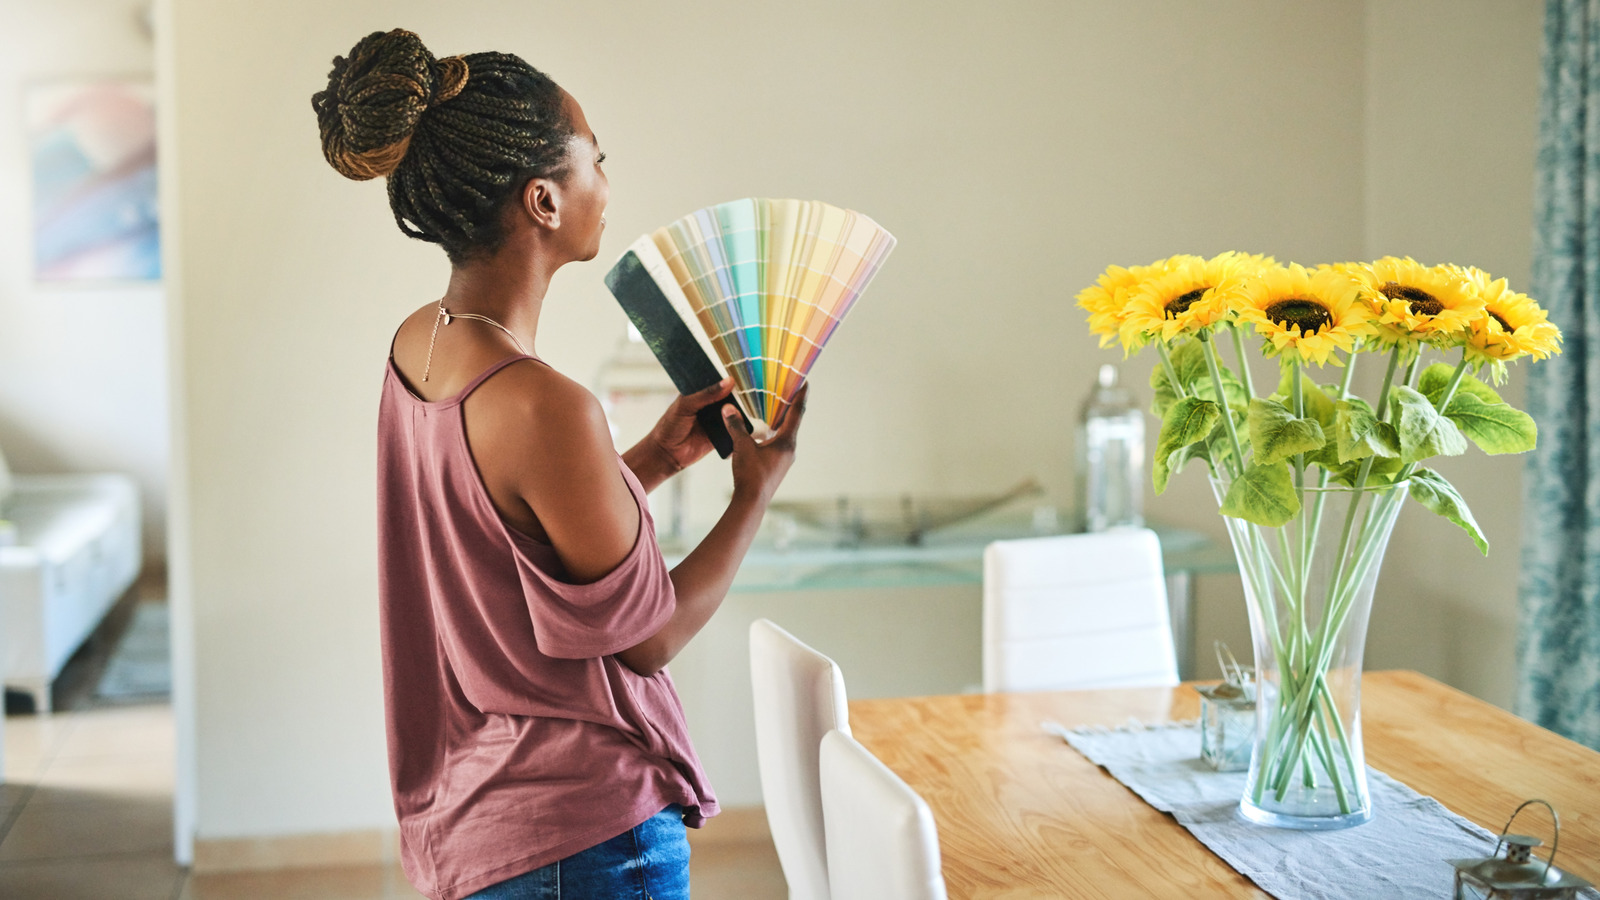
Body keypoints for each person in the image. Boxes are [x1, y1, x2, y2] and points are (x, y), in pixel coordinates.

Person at [312, 28, 805, 900]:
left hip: (473, 828)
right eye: (596, 161)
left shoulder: (417, 344)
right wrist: (752, 496)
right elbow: (649, 639)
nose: (606, 187)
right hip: (585, 838)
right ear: (543, 199)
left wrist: (650, 460)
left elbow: (503, 539)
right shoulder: (546, 404)